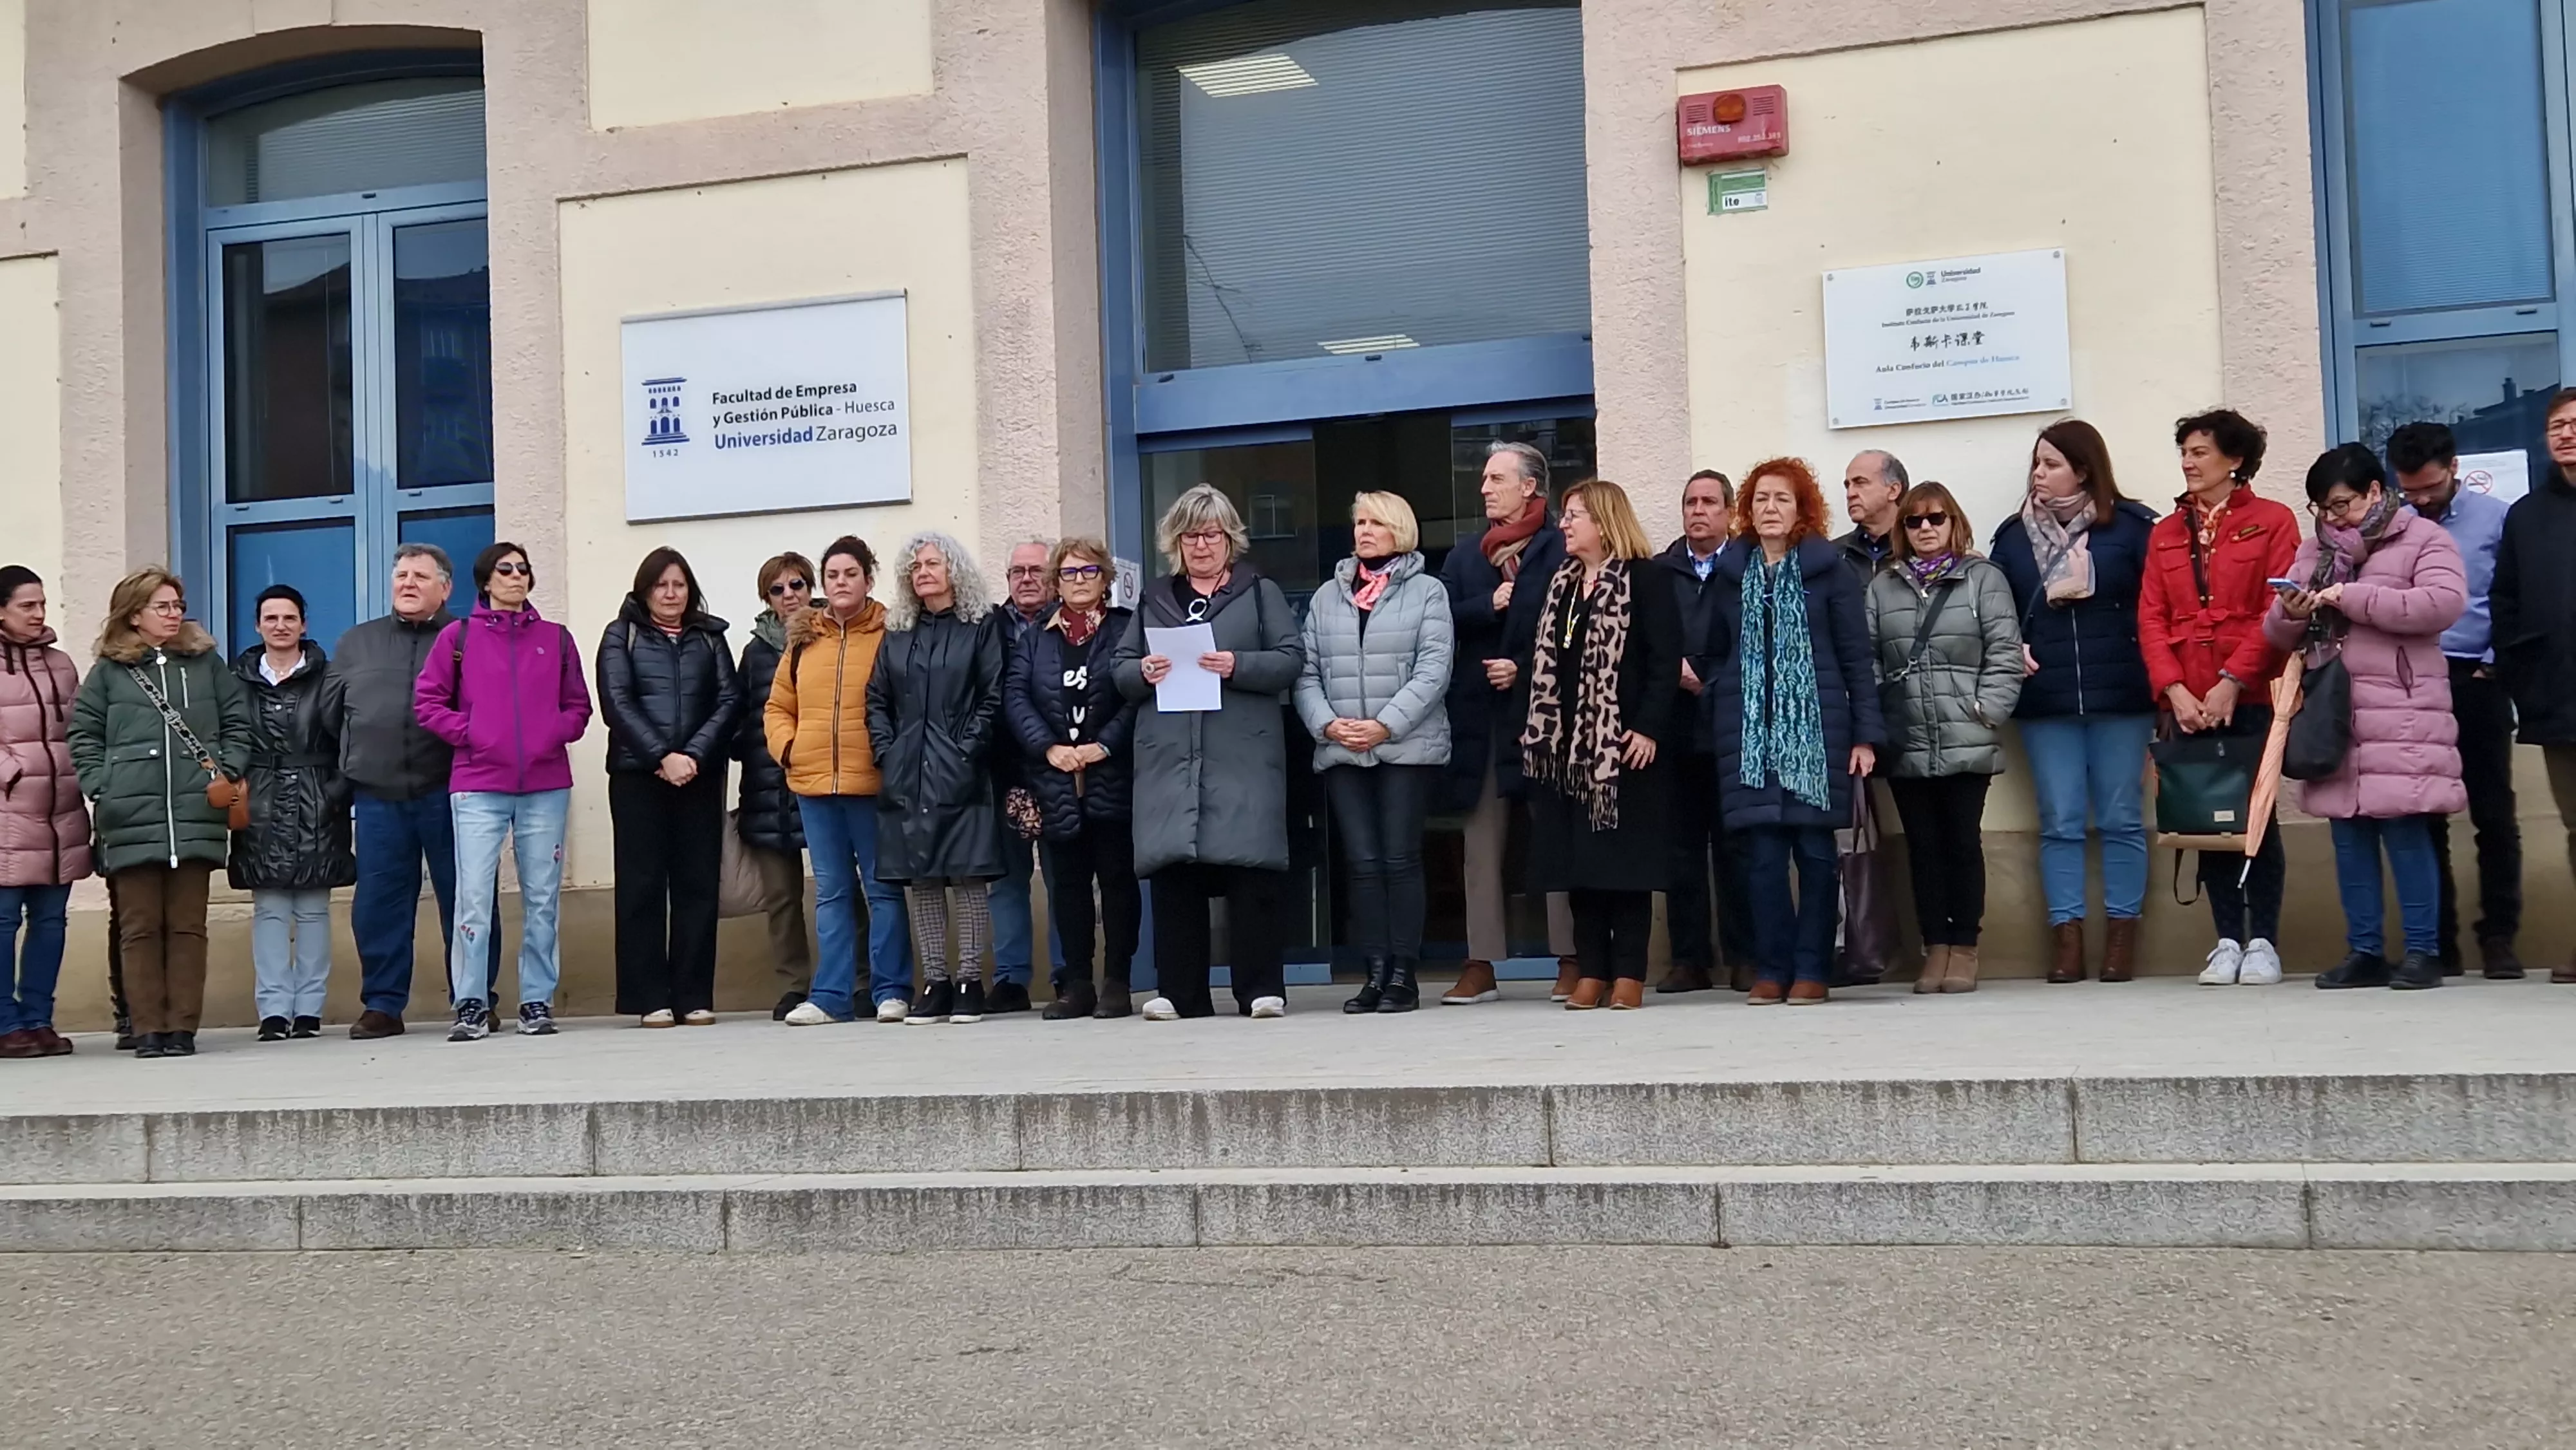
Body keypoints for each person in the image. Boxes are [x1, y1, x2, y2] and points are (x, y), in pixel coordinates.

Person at [2266, 444, 2467, 990]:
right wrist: (2290, 613)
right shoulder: (2312, 552)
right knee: (2347, 834)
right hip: (2334, 708)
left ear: (2376, 492)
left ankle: (2424, 951)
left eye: (2341, 504)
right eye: (2321, 509)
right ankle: (2365, 950)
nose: (2332, 519)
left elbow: (2443, 604)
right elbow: (2275, 633)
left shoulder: (2423, 538)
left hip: (2401, 707)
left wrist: (2354, 597)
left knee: (2404, 827)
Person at [1115, 484, 1303, 1021]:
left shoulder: (1258, 590)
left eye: (1211, 534)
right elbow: (1120, 669)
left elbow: (1291, 657)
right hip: (1171, 758)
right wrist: (1143, 671)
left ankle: (1260, 989)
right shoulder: (1154, 597)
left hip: (1241, 753)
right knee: (1177, 874)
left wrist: (1237, 664)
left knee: (1251, 872)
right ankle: (1181, 992)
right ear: (1176, 541)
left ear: (1230, 538)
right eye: (1191, 535)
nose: (1201, 545)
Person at [1989, 420, 2161, 983]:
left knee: (2121, 818)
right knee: (2060, 821)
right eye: (2036, 465)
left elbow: (2157, 608)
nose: (2038, 475)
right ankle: (2066, 939)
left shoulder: (2132, 528)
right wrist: (2011, 646)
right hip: (2047, 697)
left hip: (2122, 696)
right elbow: (1995, 613)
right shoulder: (2013, 537)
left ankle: (2121, 939)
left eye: (2051, 464)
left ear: (2084, 470)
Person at [1709, 459, 1884, 1005]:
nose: (1770, 508)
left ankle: (1812, 969)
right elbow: (1715, 650)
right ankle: (1771, 968)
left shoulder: (1829, 571)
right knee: (1762, 861)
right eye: (1761, 499)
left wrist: (1865, 736)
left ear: (1802, 509)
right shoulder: (1731, 573)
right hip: (1751, 739)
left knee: (1815, 857)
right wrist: (1720, 692)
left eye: (1782, 499)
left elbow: (1857, 658)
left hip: (1818, 736)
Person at [2139, 409, 2299, 986]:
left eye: (2200, 451)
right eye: (2184, 451)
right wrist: (2175, 689)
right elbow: (2152, 618)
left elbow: (2278, 611)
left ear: (2234, 459)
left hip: (2251, 693)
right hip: (2187, 700)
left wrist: (2233, 679)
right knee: (2206, 817)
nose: (2188, 461)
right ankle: (2226, 939)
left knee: (2256, 820)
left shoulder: (2274, 521)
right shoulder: (2163, 533)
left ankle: (2265, 941)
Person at [70, 567, 252, 1059]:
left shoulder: (206, 664)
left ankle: (182, 1029)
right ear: (135, 614)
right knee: (140, 927)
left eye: (177, 605)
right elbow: (83, 734)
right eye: (163, 607)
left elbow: (239, 722)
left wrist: (226, 770)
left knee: (189, 927)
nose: (174, 615)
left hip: (196, 813)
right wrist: (103, 785)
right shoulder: (109, 671)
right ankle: (148, 1028)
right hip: (130, 818)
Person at [414, 542, 593, 1041]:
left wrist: (549, 733)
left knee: (542, 898)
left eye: (523, 569)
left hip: (545, 784)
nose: (516, 577)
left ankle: (536, 1001)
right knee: (472, 896)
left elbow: (578, 706)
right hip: (477, 786)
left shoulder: (555, 639)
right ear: (485, 582)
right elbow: (428, 702)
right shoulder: (459, 636)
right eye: (505, 570)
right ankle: (470, 1002)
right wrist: (473, 733)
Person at [1519, 480, 1679, 1010]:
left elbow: (1663, 662)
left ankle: (1629, 973)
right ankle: (1591, 970)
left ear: (1605, 522)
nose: (1564, 525)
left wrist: (1650, 727)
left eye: (1574, 516)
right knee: (1577, 866)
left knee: (1623, 865)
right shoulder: (1561, 583)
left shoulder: (1645, 579)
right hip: (1567, 754)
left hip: (1624, 747)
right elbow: (1547, 662)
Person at [1295, 491, 1455, 1015]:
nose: (1363, 531)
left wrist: (1385, 726)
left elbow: (1434, 670)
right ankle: (1374, 973)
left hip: (1405, 748)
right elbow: (1307, 672)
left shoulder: (1429, 592)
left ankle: (1405, 974)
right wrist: (1328, 724)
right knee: (1361, 865)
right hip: (1342, 749)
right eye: (1359, 522)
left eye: (1376, 523)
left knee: (1400, 859)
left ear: (1399, 531)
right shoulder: (1326, 597)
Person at [1866, 483, 2023, 993]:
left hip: (1965, 734)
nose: (1926, 529)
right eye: (1914, 522)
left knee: (1961, 843)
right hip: (1906, 735)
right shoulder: (1882, 585)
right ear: (1902, 530)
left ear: (1954, 522)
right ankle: (1934, 946)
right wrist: (1877, 717)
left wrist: (1987, 711)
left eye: (1936, 518)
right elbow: (1866, 657)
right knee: (1922, 847)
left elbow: (2004, 651)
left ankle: (1965, 947)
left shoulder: (1983, 580)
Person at [1436, 440, 1577, 1005]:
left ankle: (1571, 956)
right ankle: (1481, 962)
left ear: (1530, 488)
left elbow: (1575, 623)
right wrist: (1486, 606)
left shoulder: (1561, 547)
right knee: (1481, 841)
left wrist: (1523, 668)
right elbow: (1440, 620)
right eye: (1485, 479)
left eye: (1496, 478)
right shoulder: (1465, 558)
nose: (1484, 488)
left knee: (1556, 833)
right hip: (1481, 717)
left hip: (1544, 712)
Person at [334, 544, 493, 1038]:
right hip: (378, 793)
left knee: (466, 899)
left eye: (421, 576)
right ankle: (383, 1005)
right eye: (401, 575)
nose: (407, 583)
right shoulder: (357, 642)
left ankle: (475, 998)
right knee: (379, 903)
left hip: (453, 790)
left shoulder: (471, 638)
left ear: (446, 588)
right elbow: (331, 714)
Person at [2389, 422, 2522, 979]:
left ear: (2454, 469)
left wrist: (2495, 661)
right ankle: (2437, 945)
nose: (2419, 500)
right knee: (2425, 815)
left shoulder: (2496, 518)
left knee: (2493, 814)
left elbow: (2512, 595)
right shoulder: (2392, 527)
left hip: (2477, 677)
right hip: (2414, 683)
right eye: (2408, 491)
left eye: (2430, 488)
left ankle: (2498, 937)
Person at [598, 547, 743, 1028]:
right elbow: (617, 701)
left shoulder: (710, 637)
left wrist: (693, 757)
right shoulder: (621, 635)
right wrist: (662, 756)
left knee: (697, 886)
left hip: (699, 778)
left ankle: (693, 994)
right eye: (661, 584)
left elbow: (728, 700)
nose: (671, 593)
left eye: (679, 585)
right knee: (642, 887)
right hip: (639, 777)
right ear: (645, 589)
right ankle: (650, 997)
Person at [773, 536, 914, 1025]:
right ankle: (830, 996)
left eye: (850, 574)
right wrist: (788, 749)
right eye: (832, 575)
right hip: (813, 785)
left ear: (868, 580)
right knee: (831, 891)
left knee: (882, 889)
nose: (840, 583)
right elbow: (778, 706)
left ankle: (891, 990)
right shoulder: (803, 637)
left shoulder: (892, 633)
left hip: (872, 785)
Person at [871, 531, 1008, 1026]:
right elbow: (877, 700)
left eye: (933, 563)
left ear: (954, 570)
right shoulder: (898, 630)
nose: (923, 572)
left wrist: (966, 750)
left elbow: (994, 695)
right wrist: (889, 752)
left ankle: (971, 980)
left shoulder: (981, 625)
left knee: (968, 874)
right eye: (915, 566)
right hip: (908, 773)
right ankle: (937, 983)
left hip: (963, 769)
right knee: (923, 878)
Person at [1004, 536, 1141, 1019]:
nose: (1079, 581)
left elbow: (1135, 697)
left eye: (1089, 572)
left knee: (1118, 882)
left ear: (1105, 579)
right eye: (1069, 573)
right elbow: (1016, 698)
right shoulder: (1035, 637)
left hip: (1112, 775)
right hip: (1056, 779)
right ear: (1055, 582)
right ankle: (1077, 983)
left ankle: (1118, 982)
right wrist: (1051, 748)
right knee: (1068, 886)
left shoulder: (1128, 631)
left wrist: (1103, 746)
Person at [227, 585, 354, 1041]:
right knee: (271, 909)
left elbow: (349, 739)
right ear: (258, 625)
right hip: (259, 801)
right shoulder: (236, 679)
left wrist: (336, 792)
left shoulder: (331, 677)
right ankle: (274, 1010)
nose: (280, 626)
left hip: (317, 799)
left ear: (304, 623)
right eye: (271, 618)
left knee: (315, 909)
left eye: (289, 618)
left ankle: (309, 1010)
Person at [1653, 468, 1758, 993]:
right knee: (1680, 849)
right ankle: (1689, 958)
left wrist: (1711, 679)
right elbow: (1645, 640)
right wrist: (1674, 670)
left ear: (1729, 512)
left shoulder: (1747, 568)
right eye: (1690, 502)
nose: (1698, 511)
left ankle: (1745, 956)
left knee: (1737, 846)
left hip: (1732, 725)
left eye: (1709, 503)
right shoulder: (1659, 572)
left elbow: (1755, 642)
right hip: (1673, 728)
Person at [2492, 385, 2576, 985]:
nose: (2566, 434)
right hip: (2558, 696)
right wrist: (2522, 675)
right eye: (2557, 426)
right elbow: (2506, 603)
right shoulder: (2526, 515)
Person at [0, 567, 92, 1058]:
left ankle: (38, 1018)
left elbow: (78, 731)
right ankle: (4, 1023)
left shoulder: (60, 664)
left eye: (42, 605)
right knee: (2, 922)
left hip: (61, 813)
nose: (39, 615)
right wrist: (11, 771)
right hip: (8, 814)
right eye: (27, 606)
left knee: (51, 921)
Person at [737, 553, 821, 1019]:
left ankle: (858, 978)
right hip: (769, 788)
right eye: (778, 589)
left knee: (840, 887)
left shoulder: (832, 634)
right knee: (782, 899)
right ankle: (794, 984)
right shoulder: (754, 652)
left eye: (798, 585)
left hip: (829, 782)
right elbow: (743, 717)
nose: (790, 595)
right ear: (765, 598)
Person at [986, 536, 1065, 1013]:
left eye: (1036, 570)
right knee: (1007, 879)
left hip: (1059, 768)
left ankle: (1066, 973)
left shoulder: (1072, 625)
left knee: (1062, 878)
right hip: (1003, 770)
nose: (1027, 579)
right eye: (1018, 572)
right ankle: (1012, 979)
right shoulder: (987, 628)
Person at [1839, 450, 1909, 583]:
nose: (1850, 494)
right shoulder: (1835, 555)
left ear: (1893, 491)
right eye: (1848, 486)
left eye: (1860, 483)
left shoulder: (1919, 550)